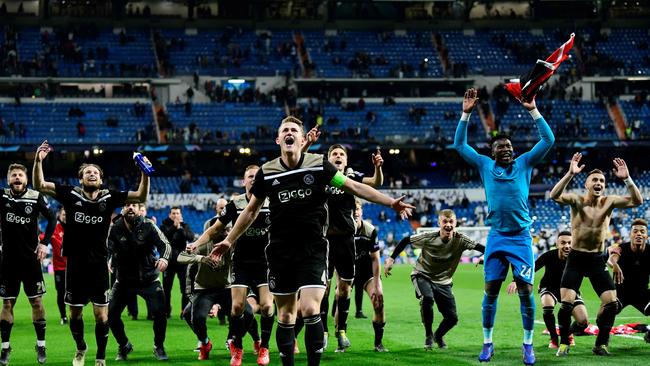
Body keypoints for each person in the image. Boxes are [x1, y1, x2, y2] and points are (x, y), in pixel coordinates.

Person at [211, 116, 413, 366]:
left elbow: (353, 187)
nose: (289, 133)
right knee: (285, 315)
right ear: (278, 139)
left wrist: (390, 201)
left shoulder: (320, 166)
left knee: (309, 309)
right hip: (280, 252)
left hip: (313, 249)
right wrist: (229, 241)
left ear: (302, 138)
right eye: (285, 130)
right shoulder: (267, 172)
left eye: (294, 130)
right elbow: (251, 211)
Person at [454, 88, 555, 365]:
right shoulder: (485, 165)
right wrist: (465, 114)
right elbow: (460, 146)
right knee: (490, 291)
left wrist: (532, 109)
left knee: (525, 292)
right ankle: (487, 343)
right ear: (493, 152)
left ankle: (528, 345)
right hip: (497, 237)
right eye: (502, 148)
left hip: (521, 238)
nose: (508, 150)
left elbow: (548, 139)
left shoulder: (524, 163)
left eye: (510, 147)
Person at [32, 140, 150, 366]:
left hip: (98, 266)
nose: (92, 174)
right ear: (81, 178)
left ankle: (100, 356)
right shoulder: (70, 194)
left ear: (101, 178)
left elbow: (140, 196)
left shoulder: (110, 197)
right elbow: (40, 185)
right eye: (87, 172)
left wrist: (146, 173)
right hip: (74, 265)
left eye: (95, 172)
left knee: (101, 316)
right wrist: (38, 161)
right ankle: (80, 348)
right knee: (75, 315)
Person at [550, 152, 642, 356]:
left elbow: (637, 201)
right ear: (587, 184)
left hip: (595, 259)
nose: (599, 182)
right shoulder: (576, 200)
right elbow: (554, 195)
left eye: (602, 180)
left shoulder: (609, 202)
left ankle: (600, 344)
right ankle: (564, 343)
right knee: (566, 305)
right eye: (595, 180)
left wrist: (627, 179)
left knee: (610, 303)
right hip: (575, 258)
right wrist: (570, 174)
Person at [302, 128, 384, 351]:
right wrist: (308, 143)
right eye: (334, 154)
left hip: (347, 240)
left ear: (346, 160)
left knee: (344, 289)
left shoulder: (351, 177)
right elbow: (299, 162)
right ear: (328, 160)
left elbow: (374, 183)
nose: (338, 157)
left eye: (341, 155)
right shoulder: (321, 176)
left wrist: (378, 167)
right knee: (324, 289)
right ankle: (325, 332)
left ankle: (341, 330)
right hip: (324, 240)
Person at [189, 166, 273, 365]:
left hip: (265, 262)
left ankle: (264, 347)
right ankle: (238, 348)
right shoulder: (235, 204)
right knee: (237, 307)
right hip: (241, 261)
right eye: (250, 177)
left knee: (268, 306)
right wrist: (196, 243)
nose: (254, 179)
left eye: (257, 176)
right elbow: (213, 229)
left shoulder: (272, 201)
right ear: (244, 182)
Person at [385, 209, 485, 350]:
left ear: (456, 223)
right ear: (439, 223)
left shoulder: (461, 240)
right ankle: (428, 335)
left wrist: (484, 257)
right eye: (445, 221)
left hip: (444, 281)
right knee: (428, 298)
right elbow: (406, 240)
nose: (448, 225)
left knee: (452, 318)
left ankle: (438, 336)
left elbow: (485, 249)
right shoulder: (429, 237)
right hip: (422, 274)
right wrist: (391, 258)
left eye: (451, 221)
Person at [0, 163, 56, 365]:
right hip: (7, 261)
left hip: (31, 260)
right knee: (7, 303)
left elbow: (52, 218)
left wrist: (44, 243)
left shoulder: (35, 196)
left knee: (37, 302)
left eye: (20, 175)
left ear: (26, 179)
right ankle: (5, 348)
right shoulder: (3, 196)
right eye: (13, 175)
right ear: (8, 179)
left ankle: (41, 345)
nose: (17, 178)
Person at [178, 226, 255, 361]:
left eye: (228, 230)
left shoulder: (232, 245)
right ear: (213, 233)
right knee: (196, 317)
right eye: (222, 230)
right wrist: (201, 258)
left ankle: (233, 340)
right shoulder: (202, 245)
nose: (226, 233)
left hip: (226, 288)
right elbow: (180, 257)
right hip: (204, 289)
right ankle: (205, 343)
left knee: (248, 313)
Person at [107, 203, 172, 361]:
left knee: (160, 314)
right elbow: (107, 248)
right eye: (127, 205)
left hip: (149, 279)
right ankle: (124, 345)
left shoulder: (149, 225)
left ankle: (159, 346)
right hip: (123, 281)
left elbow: (165, 245)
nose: (130, 208)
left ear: (139, 209)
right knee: (110, 315)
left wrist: (164, 258)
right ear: (122, 209)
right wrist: (107, 259)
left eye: (134, 205)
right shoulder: (114, 228)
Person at [505, 231, 589, 349]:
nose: (567, 246)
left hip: (570, 289)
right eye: (563, 243)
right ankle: (554, 338)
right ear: (557, 244)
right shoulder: (549, 255)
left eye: (570, 243)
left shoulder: (577, 258)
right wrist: (516, 280)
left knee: (583, 321)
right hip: (549, 287)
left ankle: (568, 333)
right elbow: (532, 268)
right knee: (547, 304)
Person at [607, 218, 650, 343]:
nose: (639, 234)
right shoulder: (621, 248)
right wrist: (614, 265)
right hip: (621, 292)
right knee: (606, 309)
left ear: (647, 236)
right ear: (630, 235)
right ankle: (602, 340)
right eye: (635, 231)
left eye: (642, 231)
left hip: (642, 293)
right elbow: (611, 259)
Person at [352, 200, 387, 352]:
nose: (355, 211)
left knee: (379, 302)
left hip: (366, 272)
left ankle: (378, 343)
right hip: (348, 272)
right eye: (352, 208)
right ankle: (341, 341)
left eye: (358, 208)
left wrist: (378, 283)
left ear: (362, 211)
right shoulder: (341, 230)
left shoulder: (370, 230)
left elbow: (375, 258)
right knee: (339, 306)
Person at [160, 206, 195, 319]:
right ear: (170, 215)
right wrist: (174, 228)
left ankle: (183, 312)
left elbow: (190, 237)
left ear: (181, 215)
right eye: (173, 213)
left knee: (185, 289)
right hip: (168, 262)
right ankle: (166, 312)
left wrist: (179, 228)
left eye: (177, 213)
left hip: (182, 262)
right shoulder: (163, 225)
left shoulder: (185, 226)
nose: (175, 215)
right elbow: (164, 238)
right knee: (166, 289)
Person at [50, 208, 68, 325]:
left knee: (78, 291)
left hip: (74, 267)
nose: (65, 216)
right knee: (61, 293)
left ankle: (76, 313)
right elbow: (42, 238)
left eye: (67, 214)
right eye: (63, 214)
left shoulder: (75, 228)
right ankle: (63, 316)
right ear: (59, 215)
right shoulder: (54, 229)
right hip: (59, 268)